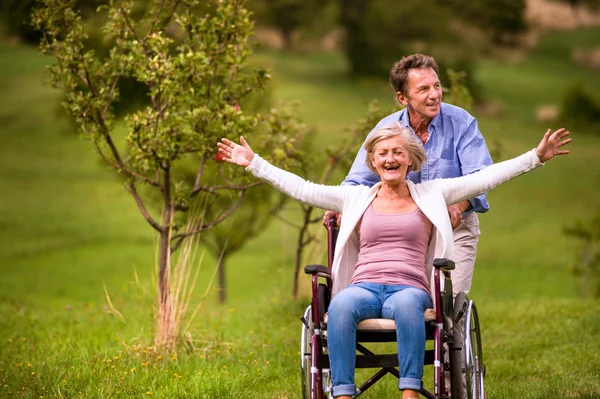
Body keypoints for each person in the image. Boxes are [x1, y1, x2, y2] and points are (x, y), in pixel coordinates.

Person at [217, 124, 570, 399]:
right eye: (383, 153)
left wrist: (535, 157)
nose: (390, 159)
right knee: (340, 307)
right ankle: (342, 392)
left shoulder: (432, 193)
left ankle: (409, 390)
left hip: (410, 288)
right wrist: (255, 164)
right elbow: (303, 189)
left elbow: (485, 177)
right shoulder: (354, 197)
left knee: (406, 307)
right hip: (365, 287)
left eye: (397, 153)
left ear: (410, 160)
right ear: (372, 161)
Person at [325, 54, 493, 296]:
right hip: (402, 231)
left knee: (449, 306)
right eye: (423, 89)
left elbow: (480, 176)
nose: (435, 94)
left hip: (454, 226)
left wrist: (459, 204)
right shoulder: (387, 129)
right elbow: (359, 179)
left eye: (436, 86)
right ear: (403, 98)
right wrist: (339, 204)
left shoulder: (462, 123)